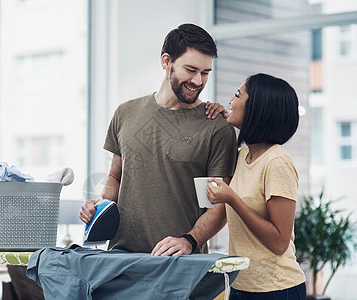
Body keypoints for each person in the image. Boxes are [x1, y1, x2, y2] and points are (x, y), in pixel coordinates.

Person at [79, 23, 238, 254]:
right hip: (120, 257)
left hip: (178, 262)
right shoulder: (125, 113)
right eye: (190, 70)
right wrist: (99, 207)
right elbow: (115, 176)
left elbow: (219, 205)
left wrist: (189, 240)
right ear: (166, 61)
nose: (198, 81)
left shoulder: (216, 127)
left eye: (205, 73)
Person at [202, 73, 306, 299]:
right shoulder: (243, 155)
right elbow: (223, 207)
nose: (230, 101)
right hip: (242, 285)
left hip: (277, 289)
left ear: (257, 109)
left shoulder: (277, 162)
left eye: (237, 95)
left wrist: (233, 199)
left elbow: (279, 242)